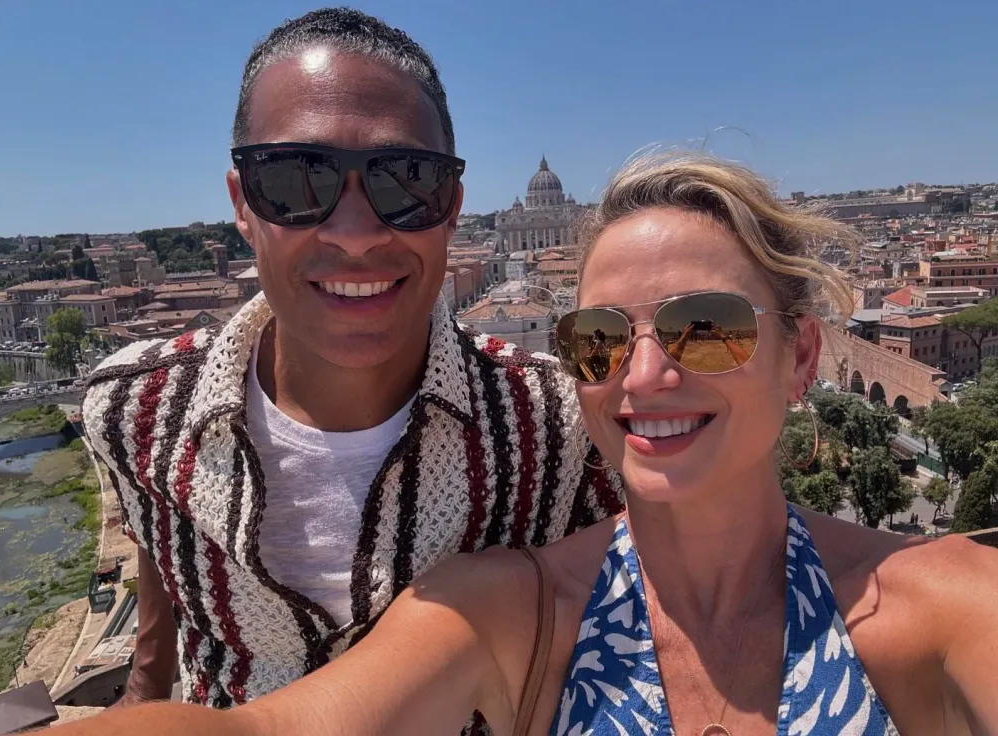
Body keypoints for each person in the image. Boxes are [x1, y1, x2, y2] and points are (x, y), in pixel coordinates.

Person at [63, 155, 998, 736]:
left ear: (799, 356)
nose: (642, 376)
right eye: (596, 339)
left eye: (705, 327)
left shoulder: (944, 607)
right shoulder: (508, 612)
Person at [79, 7, 621, 713]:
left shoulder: (569, 425)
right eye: (297, 179)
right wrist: (146, 688)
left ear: (452, 207)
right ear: (242, 204)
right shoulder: (129, 411)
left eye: (406, 180)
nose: (357, 233)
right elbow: (159, 531)